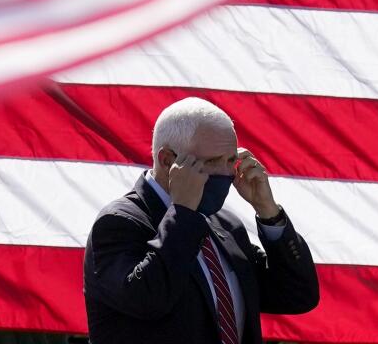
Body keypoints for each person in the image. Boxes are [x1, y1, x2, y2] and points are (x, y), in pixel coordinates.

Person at [83, 97, 320, 343]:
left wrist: (268, 211)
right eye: (210, 162)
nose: (226, 174)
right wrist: (183, 213)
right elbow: (148, 300)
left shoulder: (225, 225)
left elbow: (298, 295)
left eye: (230, 161)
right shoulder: (118, 223)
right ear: (167, 161)